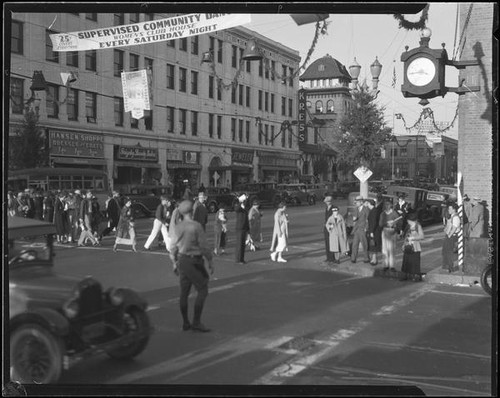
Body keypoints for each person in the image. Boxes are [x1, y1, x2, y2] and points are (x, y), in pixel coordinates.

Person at [169, 200, 214, 333]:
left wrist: (173, 262)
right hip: (194, 261)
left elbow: (172, 247)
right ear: (192, 212)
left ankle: (185, 322)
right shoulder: (196, 226)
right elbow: (204, 246)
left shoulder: (177, 227)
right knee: (202, 289)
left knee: (184, 293)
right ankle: (196, 321)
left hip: (182, 260)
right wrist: (210, 261)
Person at [399, 212, 425, 281]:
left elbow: (422, 236)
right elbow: (406, 236)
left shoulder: (417, 226)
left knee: (415, 262)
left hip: (415, 246)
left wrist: (413, 238)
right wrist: (403, 244)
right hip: (408, 246)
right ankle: (405, 275)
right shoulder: (408, 226)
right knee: (406, 261)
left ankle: (416, 276)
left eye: (408, 220)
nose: (408, 221)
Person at [379, 200, 399, 273]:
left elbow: (399, 222)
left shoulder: (394, 213)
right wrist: (387, 223)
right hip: (385, 231)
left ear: (391, 205)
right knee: (385, 249)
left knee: (392, 249)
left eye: (388, 204)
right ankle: (385, 265)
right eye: (386, 205)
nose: (387, 206)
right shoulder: (382, 214)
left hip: (393, 231)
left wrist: (394, 224)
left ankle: (392, 265)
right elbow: (380, 224)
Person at [350, 195, 370, 264]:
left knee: (364, 244)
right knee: (355, 244)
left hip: (362, 229)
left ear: (361, 202)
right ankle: (353, 258)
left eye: (357, 202)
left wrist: (366, 228)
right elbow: (354, 218)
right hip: (356, 229)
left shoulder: (366, 209)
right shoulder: (356, 209)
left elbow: (368, 219)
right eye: (356, 202)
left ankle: (366, 258)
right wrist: (353, 219)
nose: (356, 203)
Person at [442, 202, 460, 273]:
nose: (448, 210)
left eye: (450, 208)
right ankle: (447, 266)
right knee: (445, 251)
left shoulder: (455, 217)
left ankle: (450, 267)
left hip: (452, 236)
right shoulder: (452, 217)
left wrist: (449, 235)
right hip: (449, 235)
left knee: (449, 252)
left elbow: (454, 228)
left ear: (454, 209)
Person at [234, 193, 250, 265]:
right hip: (239, 227)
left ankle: (241, 258)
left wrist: (248, 229)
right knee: (239, 244)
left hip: (244, 227)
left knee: (243, 244)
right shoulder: (238, 205)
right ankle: (238, 259)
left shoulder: (245, 207)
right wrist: (240, 201)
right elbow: (236, 209)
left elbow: (246, 218)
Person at [365, 199, 380, 265]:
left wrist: (371, 231)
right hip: (373, 230)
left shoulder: (374, 211)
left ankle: (374, 260)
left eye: (367, 203)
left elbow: (373, 222)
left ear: (369, 204)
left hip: (374, 231)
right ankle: (373, 259)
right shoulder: (373, 210)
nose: (367, 205)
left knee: (373, 245)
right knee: (372, 245)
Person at [323, 193, 336, 264]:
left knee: (332, 243)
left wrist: (330, 228)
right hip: (326, 227)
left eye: (327, 202)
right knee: (327, 243)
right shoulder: (327, 208)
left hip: (331, 228)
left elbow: (334, 219)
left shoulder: (334, 208)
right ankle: (328, 257)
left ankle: (332, 258)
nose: (326, 203)